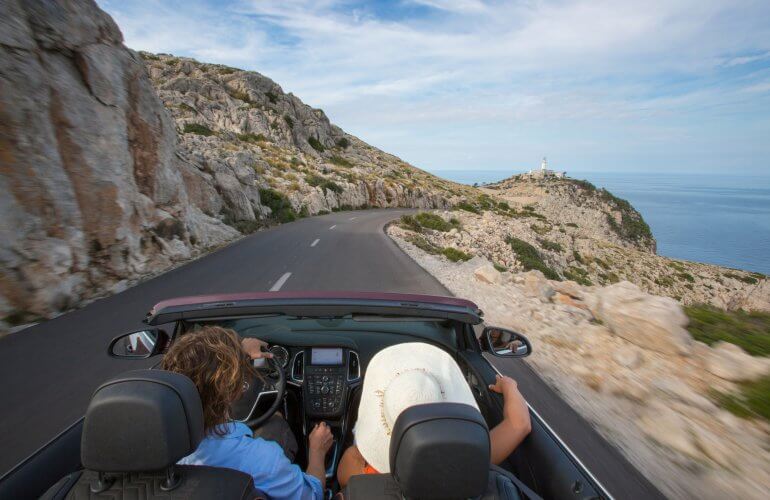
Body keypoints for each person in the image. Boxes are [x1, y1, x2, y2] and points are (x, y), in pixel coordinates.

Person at [160, 326, 333, 499]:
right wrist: (317, 451)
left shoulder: (158, 450)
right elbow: (313, 495)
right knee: (276, 422)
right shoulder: (264, 459)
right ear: (233, 390)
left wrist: (239, 351)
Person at [337, 342, 531, 487]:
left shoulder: (356, 469)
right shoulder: (471, 459)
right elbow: (520, 424)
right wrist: (509, 386)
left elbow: (342, 477)